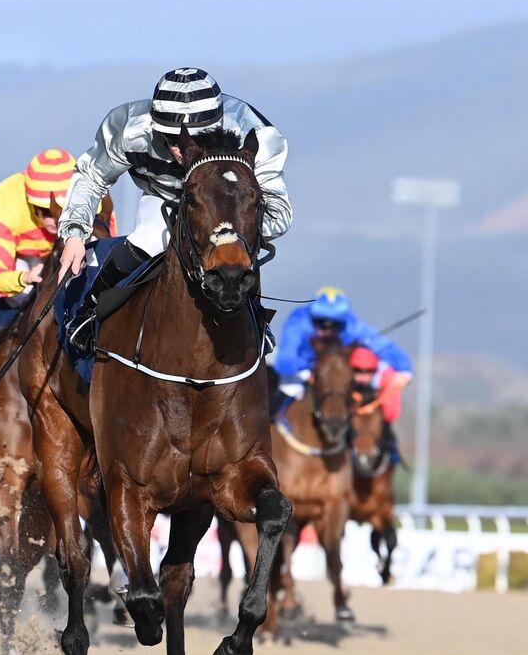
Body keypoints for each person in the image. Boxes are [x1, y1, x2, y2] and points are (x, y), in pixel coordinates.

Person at [57, 67, 293, 354]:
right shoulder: (130, 127)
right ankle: (90, 311)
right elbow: (91, 177)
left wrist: (229, 228)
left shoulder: (255, 135)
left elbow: (278, 214)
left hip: (227, 212)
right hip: (165, 197)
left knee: (235, 253)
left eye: (195, 141)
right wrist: (74, 234)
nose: (180, 152)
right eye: (170, 141)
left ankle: (256, 322)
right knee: (148, 237)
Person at [0, 149, 112, 403]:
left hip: (72, 249)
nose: (54, 219)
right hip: (25, 260)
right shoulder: (5, 202)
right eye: (43, 211)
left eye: (61, 209)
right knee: (20, 297)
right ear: (30, 203)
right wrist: (25, 277)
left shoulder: (95, 195)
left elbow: (108, 251)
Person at [273, 286, 413, 411]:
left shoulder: (351, 326)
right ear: (312, 318)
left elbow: (382, 345)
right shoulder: (298, 321)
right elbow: (284, 361)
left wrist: (404, 370)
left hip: (334, 374)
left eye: (335, 325)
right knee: (291, 388)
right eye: (321, 323)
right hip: (300, 372)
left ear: (343, 321)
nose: (327, 330)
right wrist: (311, 369)